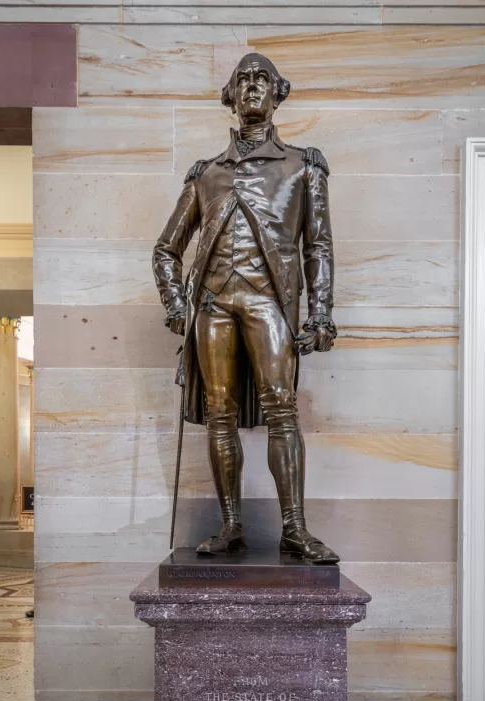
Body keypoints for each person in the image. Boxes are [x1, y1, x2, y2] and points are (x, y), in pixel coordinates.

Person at [154, 52, 339, 563]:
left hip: (267, 301)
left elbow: (317, 245)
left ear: (279, 93)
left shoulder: (304, 165)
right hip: (213, 305)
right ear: (230, 96)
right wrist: (176, 305)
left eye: (262, 79)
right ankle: (231, 525)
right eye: (243, 80)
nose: (252, 86)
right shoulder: (206, 174)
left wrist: (320, 314)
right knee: (219, 413)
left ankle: (294, 529)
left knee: (282, 408)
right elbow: (166, 249)